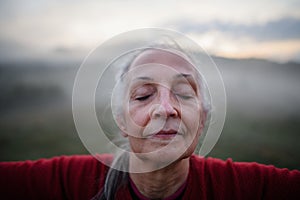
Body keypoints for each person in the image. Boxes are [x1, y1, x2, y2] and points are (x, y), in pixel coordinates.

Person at [0, 44, 300, 200]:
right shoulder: (71, 182)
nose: (165, 109)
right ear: (121, 120)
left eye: (183, 93)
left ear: (203, 117)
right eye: (143, 95)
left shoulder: (245, 188)